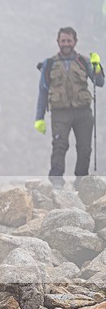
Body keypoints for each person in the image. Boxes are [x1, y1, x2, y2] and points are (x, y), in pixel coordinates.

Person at [35, 26, 104, 189]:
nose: (66, 43)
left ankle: (81, 181)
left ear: (75, 42)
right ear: (58, 42)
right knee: (59, 146)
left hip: (83, 112)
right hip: (60, 113)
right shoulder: (49, 63)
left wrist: (98, 67)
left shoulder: (85, 61)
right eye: (63, 40)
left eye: (69, 40)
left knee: (85, 148)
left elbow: (100, 82)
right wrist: (39, 118)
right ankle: (57, 181)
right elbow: (43, 90)